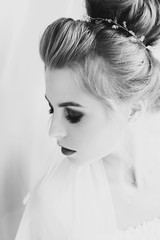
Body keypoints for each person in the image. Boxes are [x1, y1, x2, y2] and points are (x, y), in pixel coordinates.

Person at [15, 0, 160, 239]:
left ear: (133, 111)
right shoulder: (55, 203)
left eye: (73, 115)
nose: (53, 131)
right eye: (52, 109)